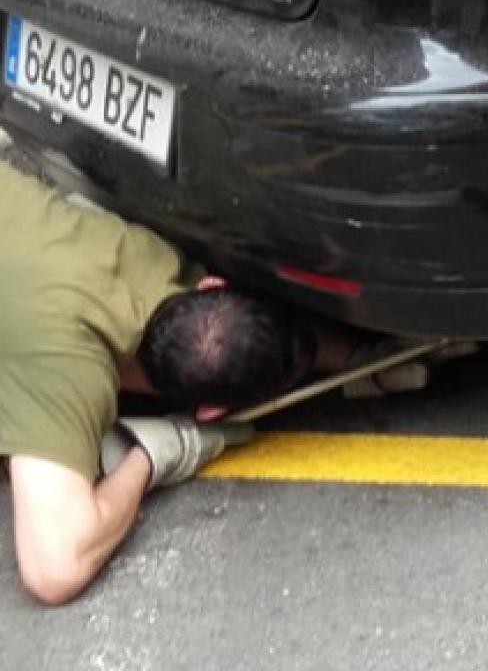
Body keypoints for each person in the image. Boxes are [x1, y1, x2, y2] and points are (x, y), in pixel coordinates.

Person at [0, 159, 329, 605]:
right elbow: (55, 567)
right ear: (210, 413)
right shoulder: (65, 369)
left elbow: (234, 333)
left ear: (210, 285)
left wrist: (360, 361)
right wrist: (150, 459)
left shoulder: (145, 252)